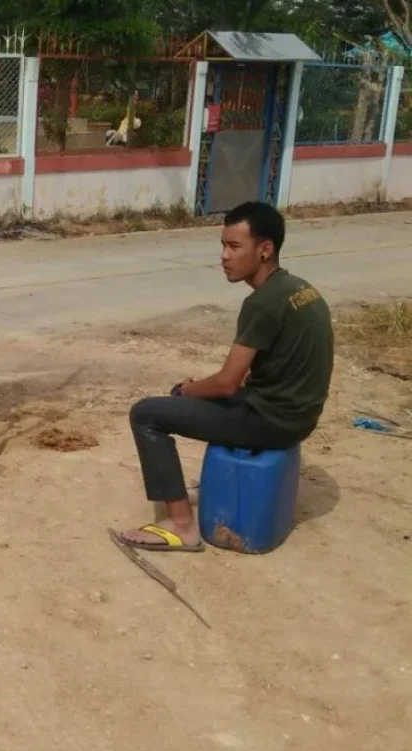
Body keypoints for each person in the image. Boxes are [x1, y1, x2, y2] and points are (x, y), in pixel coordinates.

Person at [118, 201, 334, 552]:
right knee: (189, 398)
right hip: (298, 414)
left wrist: (186, 390)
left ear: (265, 250)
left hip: (272, 420)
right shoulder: (300, 289)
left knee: (147, 414)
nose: (224, 256)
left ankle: (180, 525)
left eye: (234, 247)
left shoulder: (263, 303)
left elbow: (226, 383)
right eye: (223, 245)